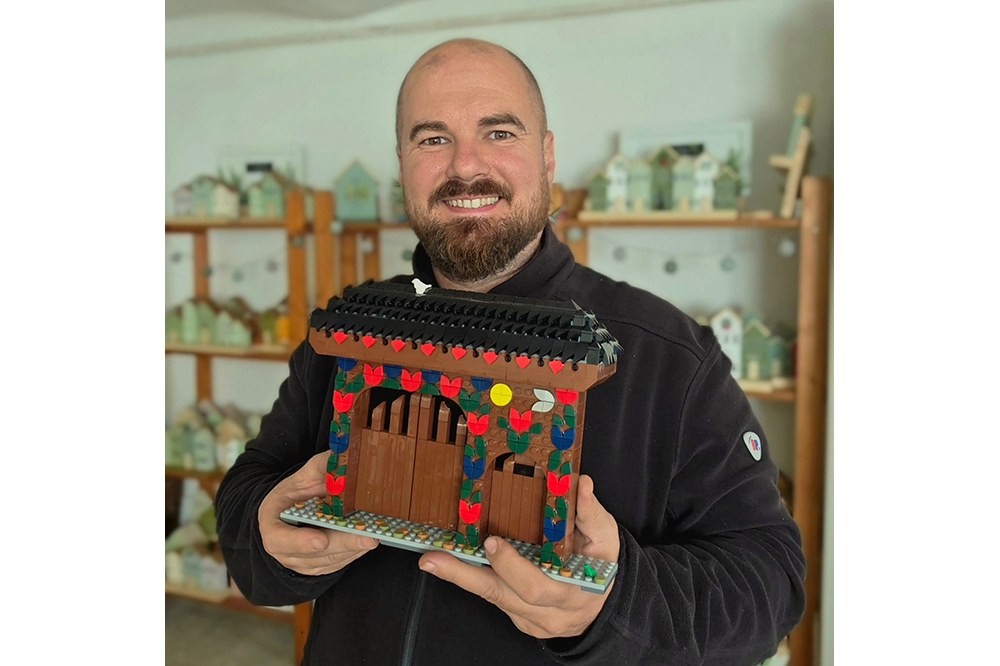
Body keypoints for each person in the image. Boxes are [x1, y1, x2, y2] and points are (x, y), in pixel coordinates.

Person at [216, 38, 806, 665]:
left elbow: (771, 584)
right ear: (402, 165)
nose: (465, 165)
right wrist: (267, 532)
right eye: (432, 138)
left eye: (499, 132)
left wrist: (614, 603)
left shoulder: (669, 358)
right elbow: (248, 498)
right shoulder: (349, 333)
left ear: (547, 155)